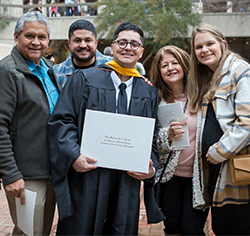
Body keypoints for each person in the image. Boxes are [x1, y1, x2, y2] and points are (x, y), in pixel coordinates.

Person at [48, 21, 162, 235]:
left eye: (134, 44)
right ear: (112, 47)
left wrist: (150, 168)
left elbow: (152, 136)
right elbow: (62, 120)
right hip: (88, 176)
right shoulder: (84, 79)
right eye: (122, 42)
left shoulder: (148, 92)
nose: (128, 47)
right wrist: (73, 156)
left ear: (141, 51)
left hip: (126, 183)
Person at [188, 23, 250, 235]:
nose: (204, 50)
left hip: (246, 173)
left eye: (209, 44)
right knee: (226, 228)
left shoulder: (243, 72)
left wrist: (219, 152)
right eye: (198, 47)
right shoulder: (211, 77)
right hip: (222, 173)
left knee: (247, 229)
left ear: (223, 44)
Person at [0, 11, 59, 236]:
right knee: (28, 232)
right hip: (26, 176)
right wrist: (11, 174)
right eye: (29, 36)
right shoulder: (6, 72)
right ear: (17, 37)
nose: (36, 42)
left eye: (42, 37)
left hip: (51, 171)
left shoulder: (47, 67)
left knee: (42, 231)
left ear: (48, 40)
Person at [150, 45, 208, 235]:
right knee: (172, 227)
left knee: (192, 229)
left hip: (198, 177)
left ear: (184, 65)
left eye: (175, 63)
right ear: (159, 71)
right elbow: (150, 140)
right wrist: (166, 135)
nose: (170, 68)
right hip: (169, 177)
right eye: (164, 65)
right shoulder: (155, 99)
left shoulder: (203, 96)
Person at [54, 19, 112, 88]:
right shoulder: (56, 73)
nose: (83, 45)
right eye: (77, 40)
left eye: (88, 40)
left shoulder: (113, 68)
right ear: (69, 43)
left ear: (96, 42)